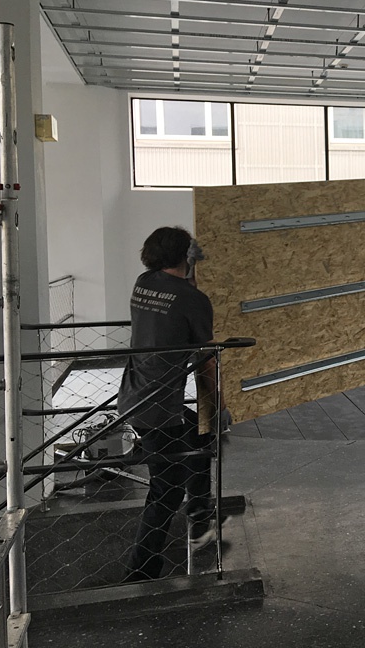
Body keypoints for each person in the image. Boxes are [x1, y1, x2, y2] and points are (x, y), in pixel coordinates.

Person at [118, 226, 221, 582]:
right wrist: (218, 406)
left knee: (200, 437)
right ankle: (141, 571)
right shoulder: (195, 300)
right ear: (186, 257)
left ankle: (200, 513)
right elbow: (206, 359)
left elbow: (175, 299)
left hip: (136, 395)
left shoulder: (144, 282)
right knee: (167, 489)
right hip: (159, 408)